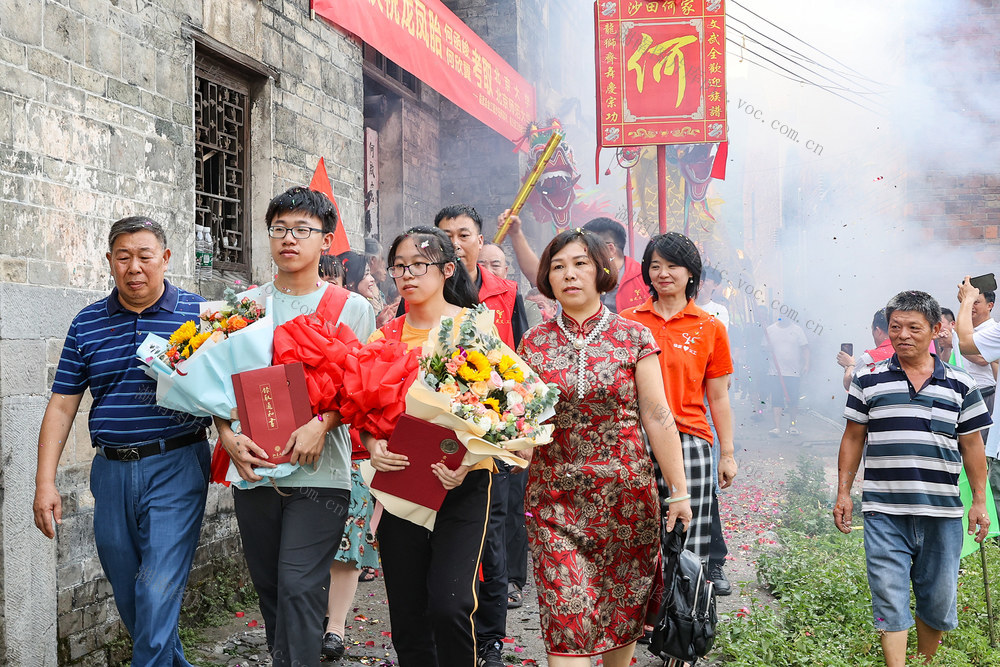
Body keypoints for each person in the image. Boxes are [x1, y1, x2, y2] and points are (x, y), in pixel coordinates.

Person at [32, 216, 212, 666]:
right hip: (109, 472)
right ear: (110, 261)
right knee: (131, 592)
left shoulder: (200, 316)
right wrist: (44, 483)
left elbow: (227, 391)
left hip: (176, 463)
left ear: (165, 258)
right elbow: (62, 406)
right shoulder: (87, 323)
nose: (134, 267)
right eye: (123, 257)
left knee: (156, 590)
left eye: (145, 256)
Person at [215, 187, 375, 667]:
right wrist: (226, 434)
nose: (289, 238)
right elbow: (215, 384)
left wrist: (322, 425)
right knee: (270, 589)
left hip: (321, 473)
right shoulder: (244, 306)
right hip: (255, 468)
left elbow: (362, 388)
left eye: (302, 229)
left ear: (326, 241)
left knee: (300, 585)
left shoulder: (351, 307)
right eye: (279, 229)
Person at [518, 228, 692, 667]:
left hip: (626, 503)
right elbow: (521, 422)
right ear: (547, 277)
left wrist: (679, 491)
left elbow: (657, 416)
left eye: (580, 264)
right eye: (558, 266)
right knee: (567, 623)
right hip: (554, 503)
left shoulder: (633, 337)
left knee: (620, 618)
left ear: (601, 271)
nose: (569, 274)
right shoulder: (532, 343)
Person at [835, 290, 991, 667]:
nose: (902, 335)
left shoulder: (960, 384)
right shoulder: (868, 379)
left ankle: (924, 661)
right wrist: (843, 492)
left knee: (937, 599)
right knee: (889, 597)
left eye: (913, 327)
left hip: (942, 514)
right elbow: (853, 437)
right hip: (884, 512)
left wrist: (979, 501)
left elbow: (972, 446)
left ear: (936, 329)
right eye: (895, 327)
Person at [363, 226, 489, 667]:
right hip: (402, 482)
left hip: (462, 483)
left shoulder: (475, 329)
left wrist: (470, 460)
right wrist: (373, 444)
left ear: (447, 269)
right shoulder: (383, 338)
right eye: (399, 267)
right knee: (408, 614)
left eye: (419, 265)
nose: (407, 275)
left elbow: (504, 407)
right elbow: (364, 411)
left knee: (451, 605)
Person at [433, 204, 528, 666]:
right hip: (436, 434)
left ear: (480, 239)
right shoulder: (420, 293)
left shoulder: (505, 293)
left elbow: (522, 362)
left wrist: (515, 425)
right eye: (445, 235)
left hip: (491, 434)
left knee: (491, 534)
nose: (454, 243)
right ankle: (443, 630)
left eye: (463, 234)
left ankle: (489, 638)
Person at [621, 233, 737, 594]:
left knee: (689, 538)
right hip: (635, 441)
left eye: (672, 266)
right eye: (655, 266)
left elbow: (718, 397)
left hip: (690, 441)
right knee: (636, 532)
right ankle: (642, 614)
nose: (663, 273)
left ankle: (685, 618)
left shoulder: (709, 327)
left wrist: (727, 453)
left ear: (691, 273)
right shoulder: (628, 323)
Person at [321, 255, 385, 660]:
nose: (328, 285)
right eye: (322, 278)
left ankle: (336, 627)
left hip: (355, 449)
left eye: (334, 278)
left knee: (348, 542)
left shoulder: (362, 324)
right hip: (307, 449)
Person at [955, 277, 1000, 530]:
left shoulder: (994, 330)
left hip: (984, 397)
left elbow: (967, 346)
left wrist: (966, 300)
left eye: (978, 302)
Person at [582, 217, 647, 313]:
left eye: (586, 248)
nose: (582, 254)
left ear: (609, 249)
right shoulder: (580, 278)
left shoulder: (645, 280)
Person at [764, 316, 809, 435]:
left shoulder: (797, 330)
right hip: (775, 372)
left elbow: (805, 348)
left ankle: (792, 425)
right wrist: (767, 348)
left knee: (793, 400)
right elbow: (763, 349)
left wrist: (806, 364)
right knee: (776, 399)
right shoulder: (770, 330)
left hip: (793, 372)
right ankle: (777, 427)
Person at [837, 309, 892, 390]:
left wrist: (850, 365)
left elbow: (850, 384)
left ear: (878, 331)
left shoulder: (869, 358)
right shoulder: (906, 352)